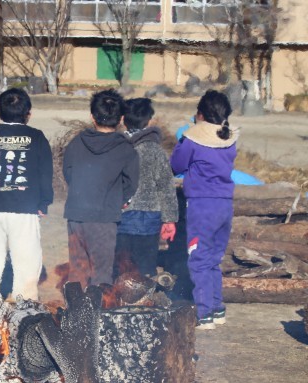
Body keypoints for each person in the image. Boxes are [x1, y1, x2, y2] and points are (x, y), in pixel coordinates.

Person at [0, 88, 53, 301]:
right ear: (28, 114)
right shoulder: (37, 137)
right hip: (26, 207)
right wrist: (44, 202)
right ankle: (24, 299)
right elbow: (45, 173)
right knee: (26, 256)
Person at [170, 90, 238, 330]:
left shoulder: (193, 138)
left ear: (200, 113)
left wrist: (188, 134)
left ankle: (203, 313)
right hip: (224, 204)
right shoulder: (229, 137)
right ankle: (217, 308)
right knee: (213, 260)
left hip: (202, 205)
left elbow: (176, 165)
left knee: (198, 258)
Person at [63, 89, 139, 289]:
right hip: (104, 218)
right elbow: (131, 183)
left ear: (92, 116)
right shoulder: (125, 148)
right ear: (121, 119)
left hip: (76, 214)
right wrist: (118, 200)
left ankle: (76, 307)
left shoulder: (77, 142)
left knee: (78, 270)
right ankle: (97, 308)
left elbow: (68, 171)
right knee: (102, 273)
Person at [114, 98, 178, 279]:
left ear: (122, 119)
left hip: (121, 216)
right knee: (145, 271)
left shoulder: (116, 147)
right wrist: (170, 219)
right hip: (149, 219)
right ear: (149, 121)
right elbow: (166, 187)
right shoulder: (155, 151)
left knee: (121, 269)